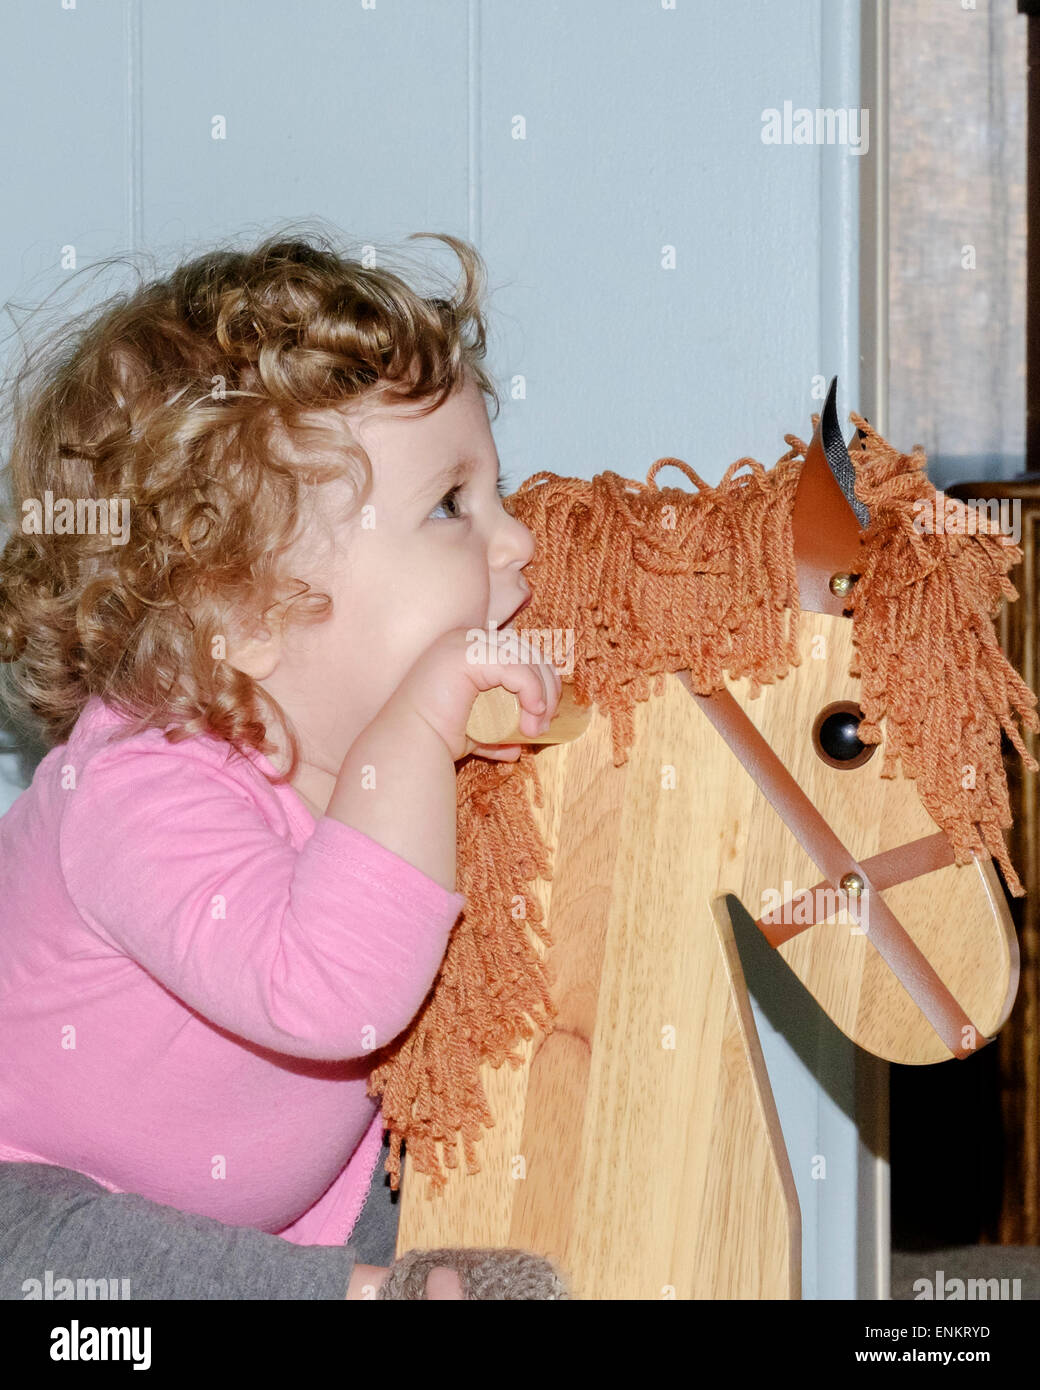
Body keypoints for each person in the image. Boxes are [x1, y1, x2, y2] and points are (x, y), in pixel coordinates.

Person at [0, 229, 562, 1300]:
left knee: (424, 1157)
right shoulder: (134, 785)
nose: (518, 540)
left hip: (301, 1194)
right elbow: (328, 998)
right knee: (48, 1258)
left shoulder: (341, 736)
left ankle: (371, 1275)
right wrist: (418, 729)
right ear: (247, 614)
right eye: (451, 506)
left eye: (496, 492)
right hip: (31, 1179)